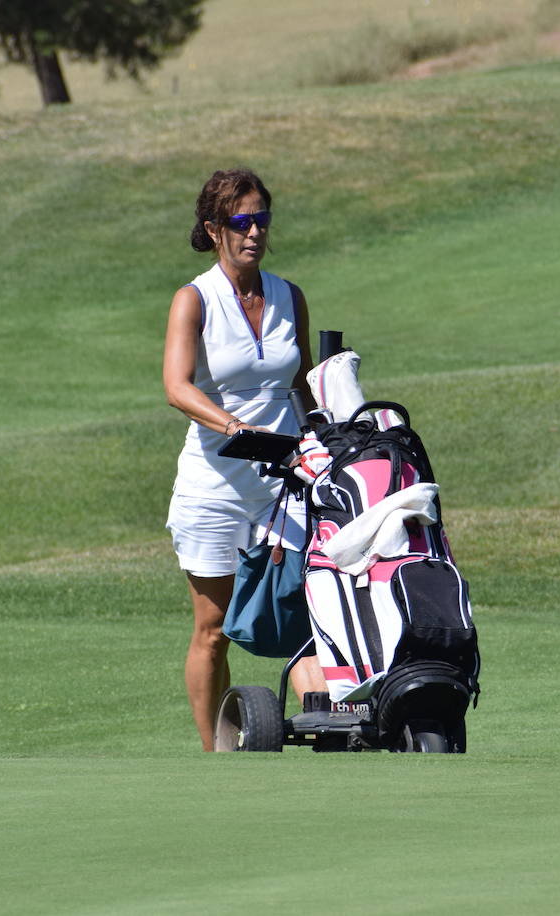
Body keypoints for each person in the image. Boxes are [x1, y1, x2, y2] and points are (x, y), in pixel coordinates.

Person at [163, 168, 327, 750]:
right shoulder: (194, 299)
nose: (254, 231)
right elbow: (177, 386)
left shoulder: (288, 295)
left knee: (308, 618)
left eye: (262, 219)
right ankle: (214, 755)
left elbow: (301, 382)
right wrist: (234, 425)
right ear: (213, 230)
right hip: (213, 486)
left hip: (283, 487)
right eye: (241, 221)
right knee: (213, 632)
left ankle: (326, 733)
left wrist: (330, 431)